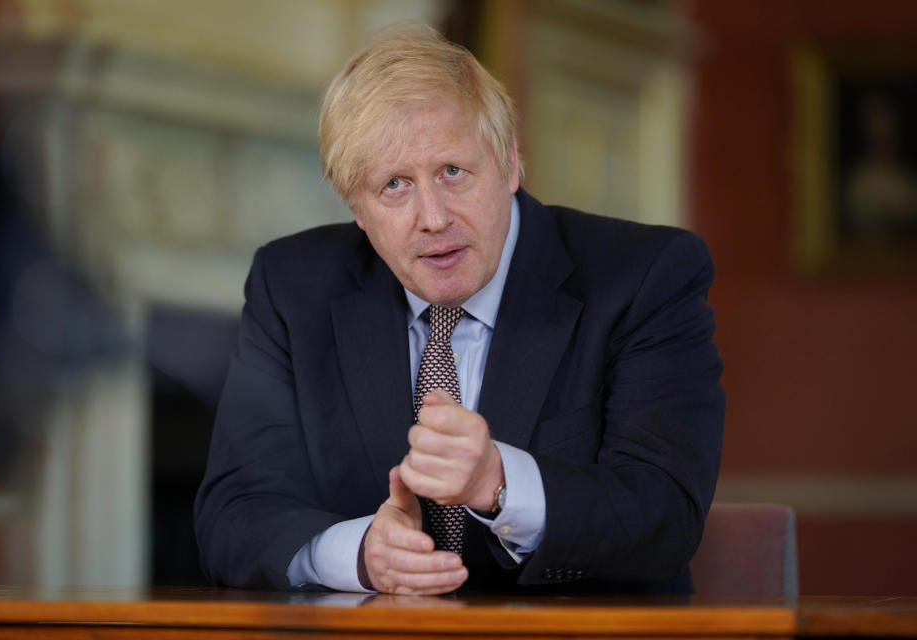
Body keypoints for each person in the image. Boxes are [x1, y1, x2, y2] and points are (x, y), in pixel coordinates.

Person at [194, 24, 724, 595]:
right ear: (358, 210)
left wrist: (499, 482)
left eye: (453, 172)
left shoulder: (645, 276)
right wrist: (359, 554)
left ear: (512, 164)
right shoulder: (293, 288)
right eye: (395, 185)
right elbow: (234, 510)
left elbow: (665, 513)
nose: (434, 217)